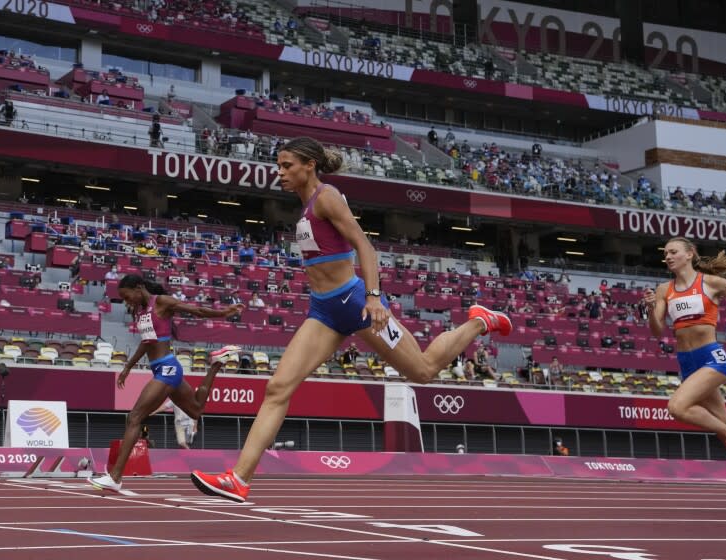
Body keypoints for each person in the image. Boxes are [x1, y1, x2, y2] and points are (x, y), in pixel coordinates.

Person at [191, 136, 512, 501]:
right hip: (324, 311)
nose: (279, 173)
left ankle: (478, 322)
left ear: (309, 165)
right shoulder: (305, 207)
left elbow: (366, 247)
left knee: (423, 371)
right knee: (279, 388)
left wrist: (374, 298)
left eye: (287, 166)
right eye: (278, 166)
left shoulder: (326, 196)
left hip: (356, 303)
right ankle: (239, 478)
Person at [642, 237, 726, 514]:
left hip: (711, 358)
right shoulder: (663, 290)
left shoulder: (710, 283)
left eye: (673, 252)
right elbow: (657, 332)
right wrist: (649, 309)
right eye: (665, 253)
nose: (667, 256)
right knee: (724, 436)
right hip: (687, 363)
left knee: (677, 407)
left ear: (689, 254)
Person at [88, 274, 244, 493]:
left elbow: (196, 311)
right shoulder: (139, 311)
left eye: (127, 296)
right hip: (165, 369)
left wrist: (224, 313)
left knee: (134, 417)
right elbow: (146, 342)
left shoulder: (161, 302)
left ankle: (115, 477)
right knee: (196, 410)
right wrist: (128, 367)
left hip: (167, 369)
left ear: (139, 288)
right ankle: (217, 363)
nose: (126, 302)